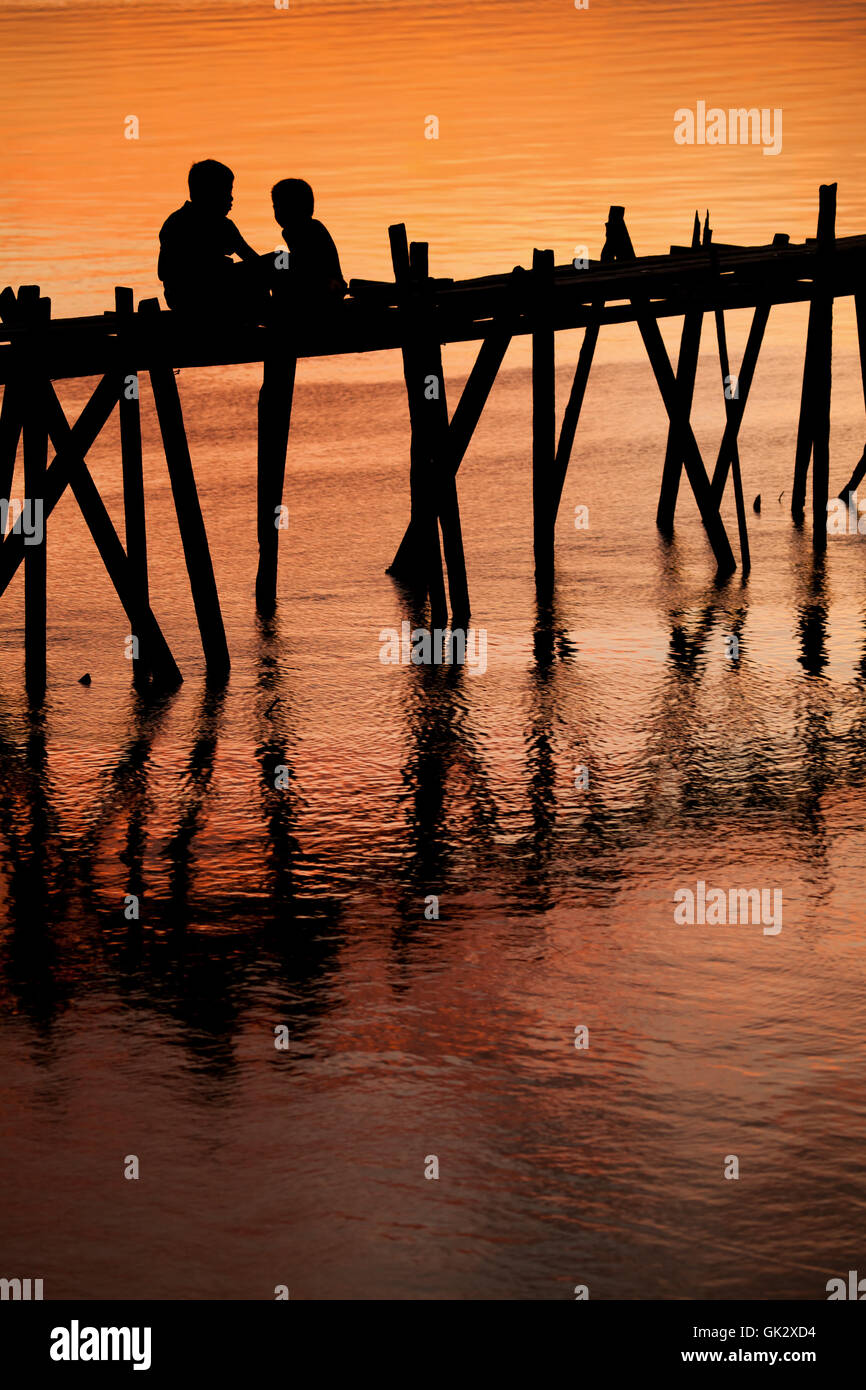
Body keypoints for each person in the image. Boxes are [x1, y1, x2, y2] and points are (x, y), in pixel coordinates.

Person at [158, 160, 266, 320]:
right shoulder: (221, 225)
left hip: (178, 299)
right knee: (262, 271)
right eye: (226, 192)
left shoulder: (174, 221)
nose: (231, 198)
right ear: (208, 193)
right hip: (201, 298)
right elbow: (251, 259)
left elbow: (162, 272)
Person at [269, 178, 346, 317]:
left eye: (279, 206)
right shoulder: (306, 227)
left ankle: (278, 311)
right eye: (275, 207)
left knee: (277, 262)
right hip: (322, 285)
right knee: (278, 260)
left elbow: (307, 265)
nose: (277, 212)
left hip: (322, 288)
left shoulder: (307, 229)